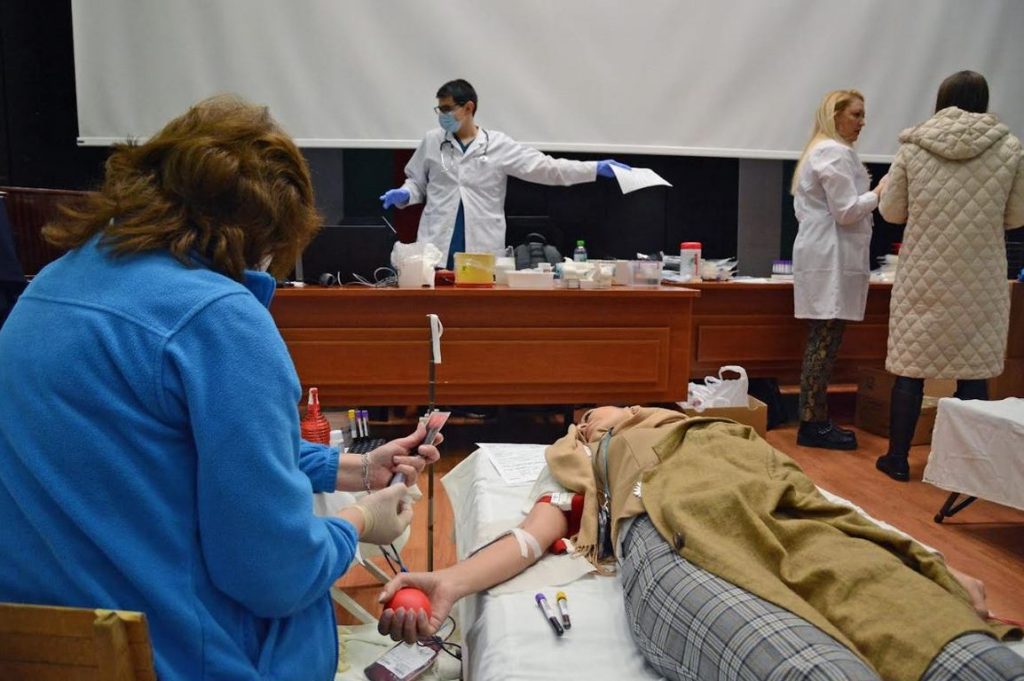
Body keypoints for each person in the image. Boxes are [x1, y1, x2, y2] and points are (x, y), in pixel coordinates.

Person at [0, 95, 440, 681]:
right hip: (181, 658)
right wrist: (359, 521)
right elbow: (275, 576)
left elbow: (164, 455)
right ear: (266, 231)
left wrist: (352, 469)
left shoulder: (53, 283)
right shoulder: (219, 318)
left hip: (44, 651)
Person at [378, 407, 1023, 681]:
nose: (601, 412)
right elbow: (530, 536)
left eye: (600, 410)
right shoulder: (591, 457)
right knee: (810, 669)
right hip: (671, 526)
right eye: (590, 417)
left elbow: (823, 506)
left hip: (787, 518)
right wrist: (450, 582)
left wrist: (924, 568)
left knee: (956, 650)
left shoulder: (710, 428)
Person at [875, 71, 1024, 482]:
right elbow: (1017, 217)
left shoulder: (913, 146)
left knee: (910, 368)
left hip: (924, 274)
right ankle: (969, 470)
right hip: (981, 277)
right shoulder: (1009, 147)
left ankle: (897, 458)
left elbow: (892, 212)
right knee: (973, 370)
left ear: (941, 100)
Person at [379, 79, 630, 269]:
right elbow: (417, 182)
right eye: (439, 110)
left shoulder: (498, 145)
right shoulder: (432, 141)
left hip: (481, 247)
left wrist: (593, 168)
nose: (442, 116)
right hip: (437, 245)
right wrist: (405, 194)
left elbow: (546, 168)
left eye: (447, 109)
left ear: (468, 108)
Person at [791, 89, 887, 450]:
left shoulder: (821, 150)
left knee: (824, 338)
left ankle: (814, 420)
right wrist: (880, 191)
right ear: (836, 116)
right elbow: (846, 211)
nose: (863, 122)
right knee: (824, 339)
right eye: (856, 115)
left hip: (826, 253)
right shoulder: (833, 152)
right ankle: (812, 424)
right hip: (829, 256)